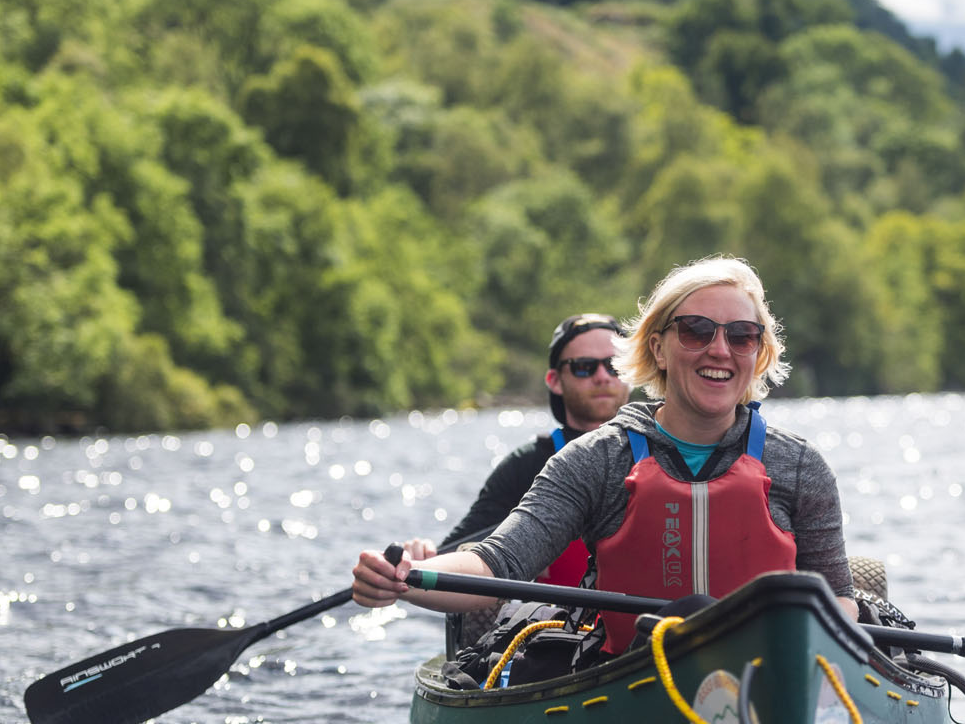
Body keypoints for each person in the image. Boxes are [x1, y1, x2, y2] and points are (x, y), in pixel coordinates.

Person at [354, 256, 856, 652]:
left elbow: (839, 601)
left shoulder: (798, 465)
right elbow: (495, 567)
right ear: (658, 349)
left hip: (769, 678)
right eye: (697, 331)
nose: (720, 350)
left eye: (742, 336)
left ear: (758, 354)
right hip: (631, 679)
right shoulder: (597, 460)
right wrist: (404, 580)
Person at [394, 313, 628, 589]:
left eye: (614, 365)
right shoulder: (527, 465)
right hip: (561, 625)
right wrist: (421, 560)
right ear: (554, 380)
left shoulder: (665, 449)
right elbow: (457, 552)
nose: (602, 377)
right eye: (584, 367)